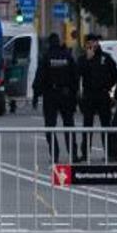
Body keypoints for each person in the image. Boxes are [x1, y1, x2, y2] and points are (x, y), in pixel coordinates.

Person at [32, 33, 78, 163]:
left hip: (50, 95)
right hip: (66, 94)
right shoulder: (68, 56)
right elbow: (75, 76)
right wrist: (74, 95)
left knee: (50, 126)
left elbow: (39, 77)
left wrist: (36, 95)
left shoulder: (46, 57)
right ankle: (73, 153)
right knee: (69, 125)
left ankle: (55, 153)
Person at [77, 33, 117, 163]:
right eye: (89, 42)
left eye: (94, 42)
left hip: (102, 95)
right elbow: (78, 73)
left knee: (106, 125)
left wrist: (107, 87)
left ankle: (110, 153)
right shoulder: (83, 59)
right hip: (89, 95)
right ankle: (85, 154)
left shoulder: (106, 58)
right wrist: (88, 60)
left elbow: (115, 75)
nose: (91, 45)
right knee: (87, 125)